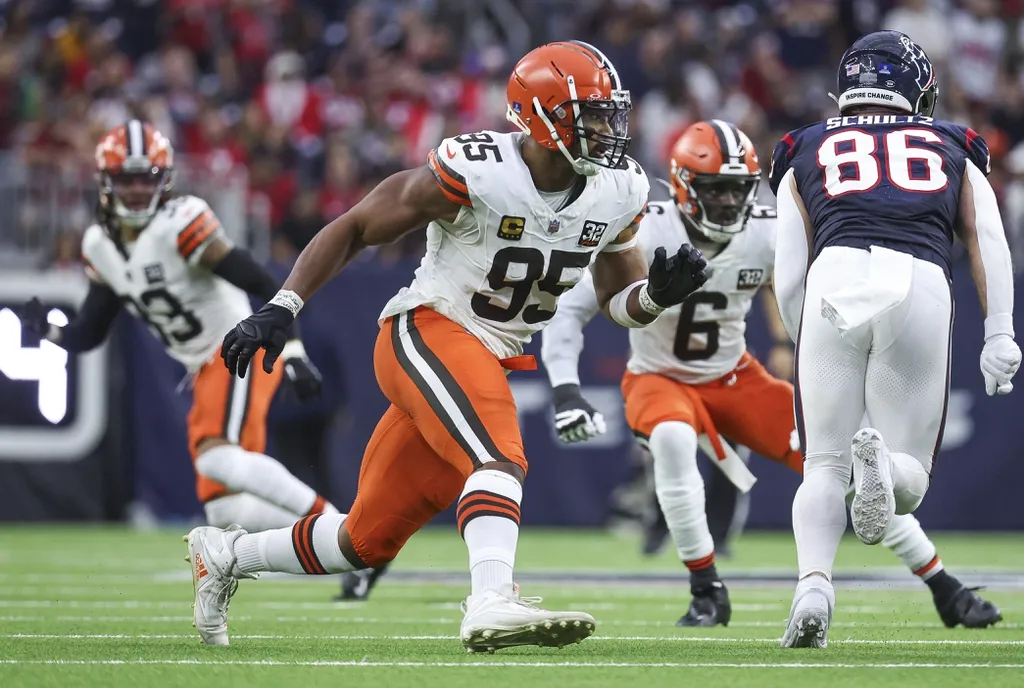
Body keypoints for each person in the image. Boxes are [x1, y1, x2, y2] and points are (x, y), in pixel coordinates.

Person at [186, 41, 710, 652]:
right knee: (498, 455)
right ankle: (490, 600)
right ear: (541, 119)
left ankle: (225, 554)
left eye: (608, 113)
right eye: (588, 114)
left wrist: (656, 297)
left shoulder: (617, 188)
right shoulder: (480, 169)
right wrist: (283, 306)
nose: (606, 128)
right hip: (427, 328)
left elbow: (621, 303)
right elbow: (356, 226)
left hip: (482, 354)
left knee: (364, 540)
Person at [541, 120, 1003, 631]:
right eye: (714, 189)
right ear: (681, 186)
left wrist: (802, 346)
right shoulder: (646, 228)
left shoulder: (764, 227)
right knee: (672, 439)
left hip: (735, 377)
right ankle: (706, 590)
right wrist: (565, 388)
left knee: (845, 465)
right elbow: (574, 308)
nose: (725, 203)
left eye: (736, 189)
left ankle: (943, 585)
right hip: (659, 376)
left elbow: (801, 286)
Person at [769, 31, 1020, 648]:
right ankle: (880, 462)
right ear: (917, 90)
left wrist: (806, 339)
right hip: (917, 280)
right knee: (908, 477)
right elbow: (987, 237)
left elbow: (788, 272)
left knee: (822, 464)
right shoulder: (952, 142)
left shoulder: (803, 145)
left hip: (833, 278)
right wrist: (1000, 331)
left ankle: (813, 587)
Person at [20, 120, 335, 532]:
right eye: (126, 179)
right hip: (203, 367)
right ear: (105, 182)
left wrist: (292, 350)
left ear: (164, 181)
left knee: (217, 458)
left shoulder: (179, 222)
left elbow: (262, 282)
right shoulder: (99, 244)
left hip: (236, 346)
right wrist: (50, 331)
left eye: (146, 178)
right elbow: (91, 331)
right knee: (225, 510)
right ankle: (332, 539)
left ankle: (343, 530)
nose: (136, 190)